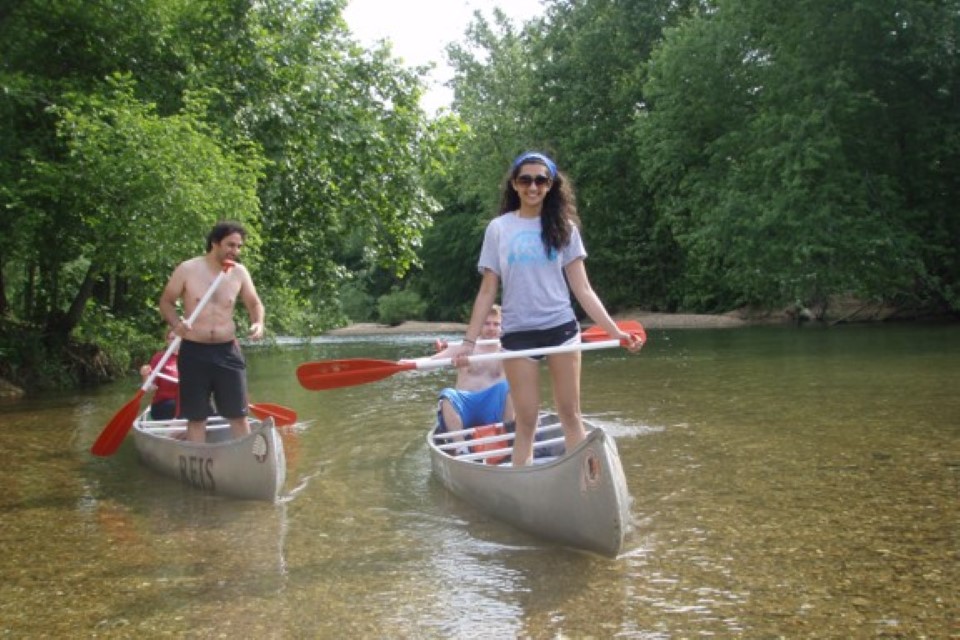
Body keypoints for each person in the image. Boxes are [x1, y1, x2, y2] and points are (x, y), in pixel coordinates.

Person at [453, 151, 643, 466]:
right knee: (526, 421)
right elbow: (488, 290)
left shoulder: (565, 228)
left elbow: (583, 289)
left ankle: (587, 482)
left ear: (550, 185)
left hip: (561, 330)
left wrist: (616, 332)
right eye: (525, 179)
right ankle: (522, 495)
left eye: (541, 180)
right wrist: (469, 342)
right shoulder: (498, 229)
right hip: (518, 335)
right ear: (514, 184)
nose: (533, 186)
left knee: (570, 414)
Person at [158, 220, 265, 443]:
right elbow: (166, 302)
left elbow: (255, 304)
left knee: (238, 414)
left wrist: (258, 323)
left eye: (238, 246)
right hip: (194, 351)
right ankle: (200, 460)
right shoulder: (188, 269)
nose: (235, 251)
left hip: (227, 351)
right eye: (230, 245)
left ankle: (243, 461)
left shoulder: (239, 273)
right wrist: (176, 323)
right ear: (215, 243)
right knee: (196, 417)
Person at [433, 305, 515, 456]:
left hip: (493, 411)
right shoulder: (463, 348)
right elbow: (431, 361)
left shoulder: (509, 349)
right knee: (446, 395)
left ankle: (508, 439)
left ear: (502, 327)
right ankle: (461, 448)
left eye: (496, 324)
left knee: (510, 387)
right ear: (478, 326)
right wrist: (404, 364)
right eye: (486, 323)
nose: (491, 328)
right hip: (466, 408)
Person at [139, 330, 180, 420]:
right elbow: (151, 388)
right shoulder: (159, 358)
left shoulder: (190, 358)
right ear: (167, 340)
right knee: (173, 405)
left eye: (178, 338)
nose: (176, 341)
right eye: (172, 338)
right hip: (164, 404)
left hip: (185, 403)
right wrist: (145, 376)